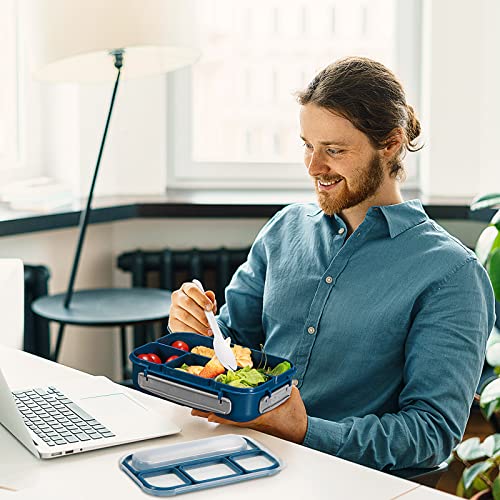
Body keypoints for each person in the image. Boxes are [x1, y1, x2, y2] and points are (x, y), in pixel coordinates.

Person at [168, 56, 496, 471]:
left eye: (334, 150)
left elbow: (430, 434)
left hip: (349, 482)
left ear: (391, 143)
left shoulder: (451, 274)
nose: (313, 167)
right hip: (244, 454)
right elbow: (234, 348)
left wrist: (305, 431)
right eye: (307, 145)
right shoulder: (285, 228)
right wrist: (198, 331)